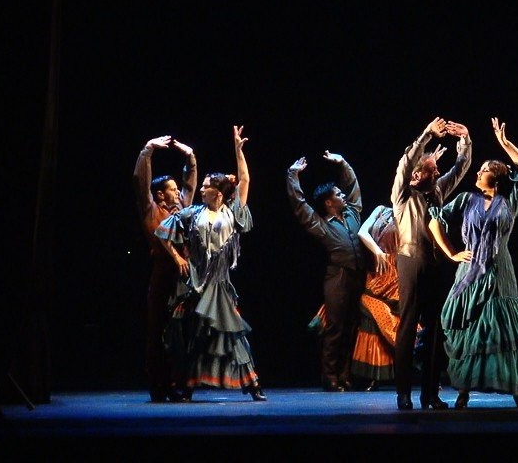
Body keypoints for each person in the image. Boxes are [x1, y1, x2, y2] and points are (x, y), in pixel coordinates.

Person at [428, 118, 518, 408]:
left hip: (500, 272)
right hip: (470, 272)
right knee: (468, 328)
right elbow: (434, 222)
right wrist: (451, 253)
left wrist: (505, 144)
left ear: (497, 177)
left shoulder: (509, 203)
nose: (478, 171)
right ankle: (463, 389)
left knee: (504, 328)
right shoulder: (466, 199)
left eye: (485, 169)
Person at [156, 125, 263, 400]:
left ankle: (253, 385)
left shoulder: (232, 212)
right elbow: (164, 232)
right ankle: (189, 386)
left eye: (205, 185)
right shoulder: (193, 213)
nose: (201, 188)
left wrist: (238, 151)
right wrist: (177, 256)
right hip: (199, 283)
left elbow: (245, 181)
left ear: (217, 192)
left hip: (222, 283)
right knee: (199, 336)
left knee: (233, 334)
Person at [391, 117, 471, 410]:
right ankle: (403, 393)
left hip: (436, 265)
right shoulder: (402, 195)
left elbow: (459, 169)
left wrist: (465, 140)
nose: (438, 171)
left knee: (436, 330)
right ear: (417, 175)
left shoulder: (436, 191)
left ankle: (430, 394)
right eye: (432, 169)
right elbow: (405, 162)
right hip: (411, 262)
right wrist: (426, 134)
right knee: (408, 326)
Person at [287, 149, 383, 391]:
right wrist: (293, 176)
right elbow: (300, 206)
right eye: (338, 194)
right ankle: (329, 376)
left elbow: (353, 188)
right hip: (338, 277)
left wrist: (343, 163)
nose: (343, 195)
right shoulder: (320, 225)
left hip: (359, 276)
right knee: (336, 327)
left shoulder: (351, 213)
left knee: (352, 327)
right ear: (329, 202)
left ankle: (345, 374)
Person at [307, 203, 400, 391]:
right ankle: (354, 374)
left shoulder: (409, 215)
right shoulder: (381, 210)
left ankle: (378, 374)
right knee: (364, 313)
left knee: (383, 316)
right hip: (375, 270)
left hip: (395, 272)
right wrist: (377, 251)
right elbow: (363, 232)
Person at [135, 134, 197, 403]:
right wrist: (148, 151)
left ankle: (181, 383)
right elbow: (141, 182)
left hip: (184, 278)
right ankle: (159, 385)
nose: (177, 192)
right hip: (162, 275)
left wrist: (191, 158)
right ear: (161, 193)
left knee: (182, 334)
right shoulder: (151, 208)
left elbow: (191, 184)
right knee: (159, 332)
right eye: (172, 189)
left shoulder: (182, 208)